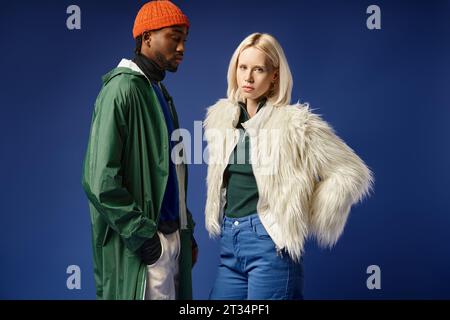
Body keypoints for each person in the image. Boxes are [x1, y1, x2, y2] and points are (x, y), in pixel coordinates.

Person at [203, 33, 373, 300]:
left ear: (274, 76)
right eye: (243, 67)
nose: (248, 77)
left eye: (258, 69)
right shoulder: (221, 118)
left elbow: (351, 171)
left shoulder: (295, 123)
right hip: (230, 245)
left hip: (269, 246)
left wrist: (308, 211)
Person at [81, 0, 197, 300]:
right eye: (174, 37)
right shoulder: (122, 90)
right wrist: (143, 236)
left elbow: (171, 173)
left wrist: (186, 229)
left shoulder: (158, 91)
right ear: (147, 38)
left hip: (172, 240)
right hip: (147, 248)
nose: (182, 48)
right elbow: (99, 180)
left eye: (184, 39)